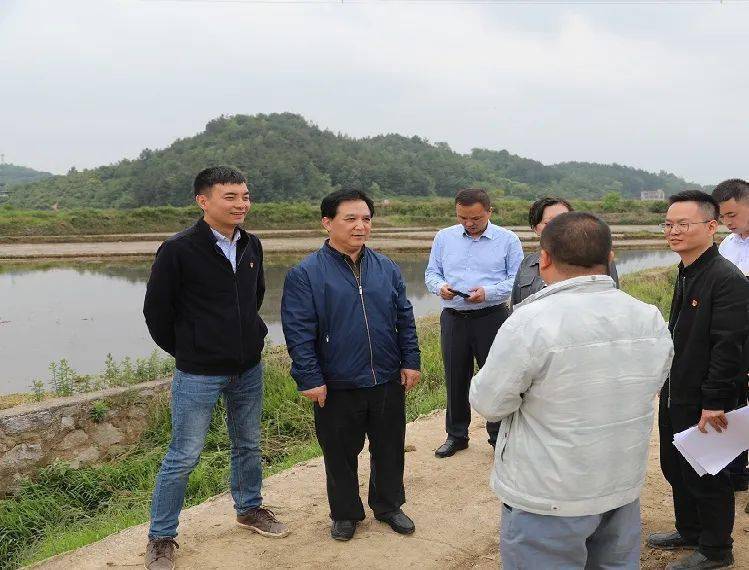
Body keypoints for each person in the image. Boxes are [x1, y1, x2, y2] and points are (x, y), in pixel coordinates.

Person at [469, 212, 674, 569]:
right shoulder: (648, 317)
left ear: (544, 259)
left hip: (548, 495)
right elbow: (653, 382)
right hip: (619, 484)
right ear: (610, 258)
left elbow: (490, 401)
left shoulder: (531, 321)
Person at [143, 166, 288, 570]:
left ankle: (249, 509)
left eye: (245, 195)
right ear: (203, 201)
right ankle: (161, 537)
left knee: (248, 443)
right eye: (230, 196)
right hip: (198, 372)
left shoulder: (251, 245)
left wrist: (245, 340)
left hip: (247, 367)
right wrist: (190, 350)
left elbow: (254, 298)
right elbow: (156, 312)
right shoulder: (178, 250)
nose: (241, 204)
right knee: (183, 454)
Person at [281, 189, 421, 542]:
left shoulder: (386, 267)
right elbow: (299, 332)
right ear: (327, 223)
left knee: (389, 446)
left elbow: (404, 318)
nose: (361, 226)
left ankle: (388, 506)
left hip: (387, 376)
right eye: (351, 219)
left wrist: (411, 361)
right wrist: (310, 378)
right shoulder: (306, 273)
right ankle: (345, 513)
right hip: (337, 381)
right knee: (340, 453)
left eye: (366, 219)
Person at [647, 190, 749, 570]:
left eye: (683, 224)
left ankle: (716, 549)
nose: (673, 231)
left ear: (711, 226)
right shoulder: (689, 269)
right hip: (679, 390)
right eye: (669, 224)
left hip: (707, 397)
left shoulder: (725, 278)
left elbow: (729, 347)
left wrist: (715, 401)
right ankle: (689, 530)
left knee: (709, 472)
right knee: (676, 466)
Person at [425, 188, 523, 457]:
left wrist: (487, 293)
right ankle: (456, 435)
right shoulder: (444, 238)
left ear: (489, 212)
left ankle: (498, 436)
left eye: (475, 218)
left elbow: (516, 281)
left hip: (491, 317)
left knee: (495, 378)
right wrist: (440, 287)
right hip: (453, 318)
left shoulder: (507, 240)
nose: (469, 223)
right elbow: (431, 273)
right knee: (456, 377)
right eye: (462, 218)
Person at [510, 196, 619, 307]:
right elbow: (516, 305)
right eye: (549, 223)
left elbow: (612, 302)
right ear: (536, 229)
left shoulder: (596, 258)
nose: (559, 228)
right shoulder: (527, 264)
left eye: (564, 221)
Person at [712, 178, 749, 493]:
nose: (727, 223)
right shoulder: (728, 245)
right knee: (735, 404)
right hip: (735, 340)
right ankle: (736, 472)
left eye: (732, 215)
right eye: (722, 217)